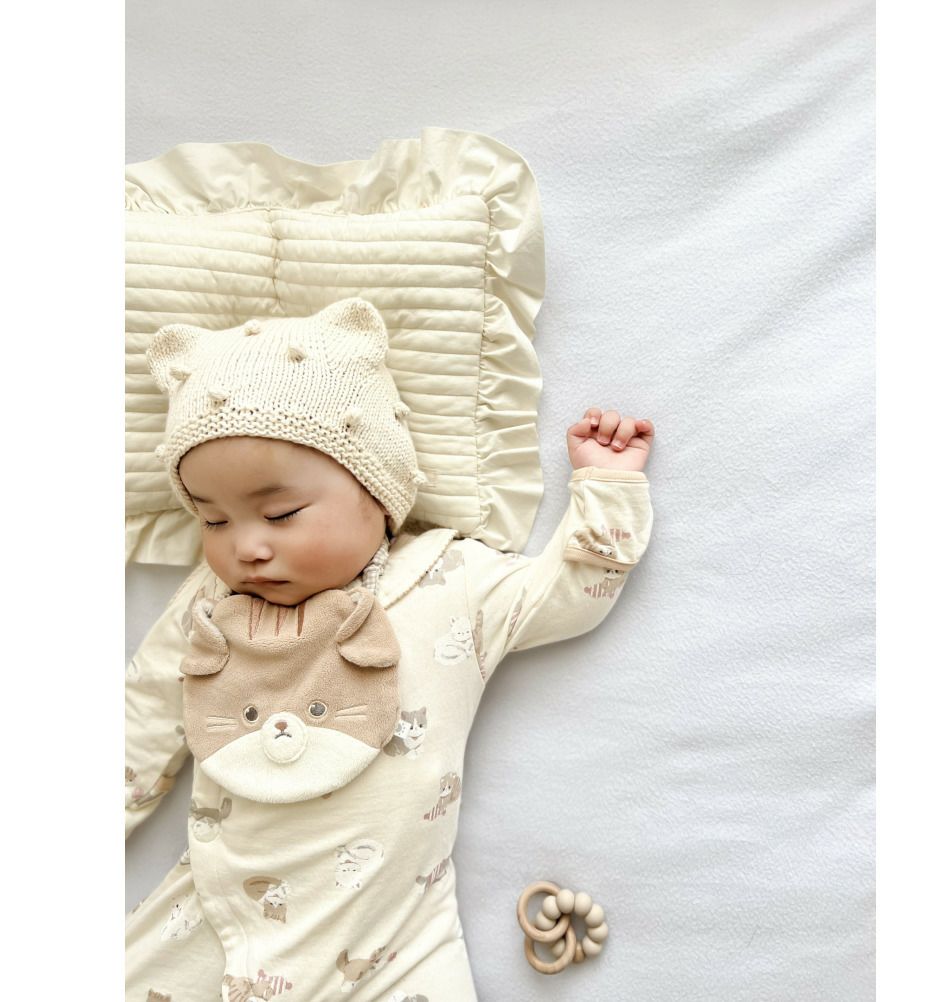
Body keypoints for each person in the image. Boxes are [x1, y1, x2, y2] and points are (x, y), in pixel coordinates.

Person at [125, 298, 654, 1001]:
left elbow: (568, 596)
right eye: (213, 519)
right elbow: (141, 723)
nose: (246, 545)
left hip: (396, 939)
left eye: (281, 513)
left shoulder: (448, 580)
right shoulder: (211, 606)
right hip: (228, 919)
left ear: (377, 493)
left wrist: (607, 488)